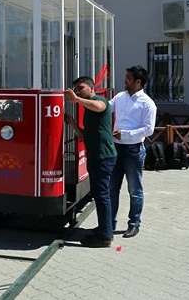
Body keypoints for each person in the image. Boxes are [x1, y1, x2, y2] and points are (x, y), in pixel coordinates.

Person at [64, 76, 117, 248]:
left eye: (81, 88)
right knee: (100, 196)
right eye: (77, 89)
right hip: (96, 155)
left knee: (102, 196)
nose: (78, 91)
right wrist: (71, 123)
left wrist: (77, 99)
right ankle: (105, 228)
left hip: (103, 156)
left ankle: (105, 236)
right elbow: (84, 136)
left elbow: (101, 106)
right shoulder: (89, 108)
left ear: (92, 88)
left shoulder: (99, 101)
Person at [108, 65, 157, 239]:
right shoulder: (120, 97)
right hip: (116, 148)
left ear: (138, 82)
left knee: (135, 190)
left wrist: (126, 134)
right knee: (112, 188)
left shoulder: (147, 103)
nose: (125, 80)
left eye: (128, 78)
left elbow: (149, 129)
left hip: (133, 150)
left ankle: (134, 223)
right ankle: (109, 223)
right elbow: (107, 108)